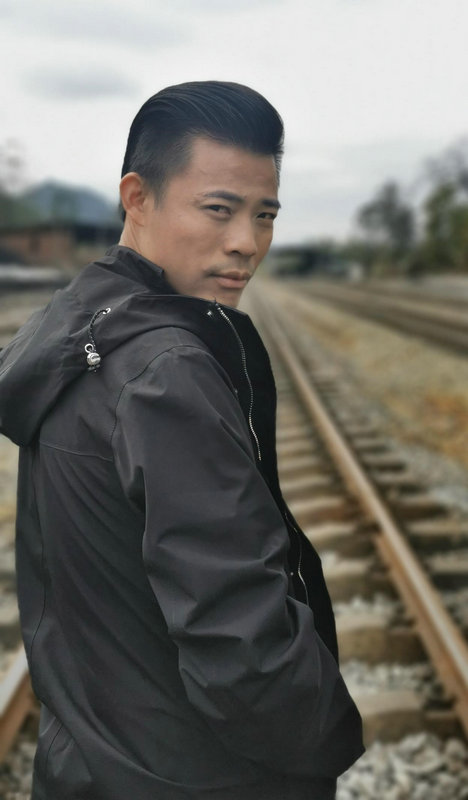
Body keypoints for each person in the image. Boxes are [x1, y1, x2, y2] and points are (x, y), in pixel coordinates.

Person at [0, 81, 363, 800]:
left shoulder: (75, 331)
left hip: (95, 767)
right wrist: (328, 740)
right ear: (137, 198)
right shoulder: (167, 375)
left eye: (265, 215)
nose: (247, 243)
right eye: (218, 209)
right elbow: (240, 643)